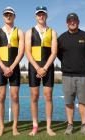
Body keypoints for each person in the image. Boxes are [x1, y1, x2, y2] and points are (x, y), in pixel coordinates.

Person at [58, 13, 85, 135]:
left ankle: (84, 125)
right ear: (66, 22)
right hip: (67, 75)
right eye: (70, 20)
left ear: (78, 21)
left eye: (74, 20)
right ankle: (70, 125)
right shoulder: (61, 38)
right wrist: (69, 65)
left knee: (83, 102)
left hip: (83, 75)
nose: (72, 22)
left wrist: (80, 63)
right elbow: (59, 55)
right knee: (69, 102)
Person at [25, 6, 57, 136]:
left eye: (43, 14)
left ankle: (49, 127)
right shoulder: (29, 32)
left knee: (48, 96)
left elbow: (54, 52)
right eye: (39, 14)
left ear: (46, 16)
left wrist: (44, 68)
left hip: (48, 67)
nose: (41, 16)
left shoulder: (53, 32)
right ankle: (35, 126)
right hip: (34, 67)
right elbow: (28, 51)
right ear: (35, 16)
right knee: (34, 97)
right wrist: (37, 67)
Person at [0, 6, 24, 136]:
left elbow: (21, 52)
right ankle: (1, 127)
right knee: (1, 97)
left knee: (15, 97)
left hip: (14, 68)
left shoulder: (19, 32)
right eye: (6, 14)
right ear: (3, 16)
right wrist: (4, 67)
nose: (8, 16)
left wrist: (12, 66)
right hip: (1, 68)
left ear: (14, 16)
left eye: (10, 14)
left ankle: (15, 127)